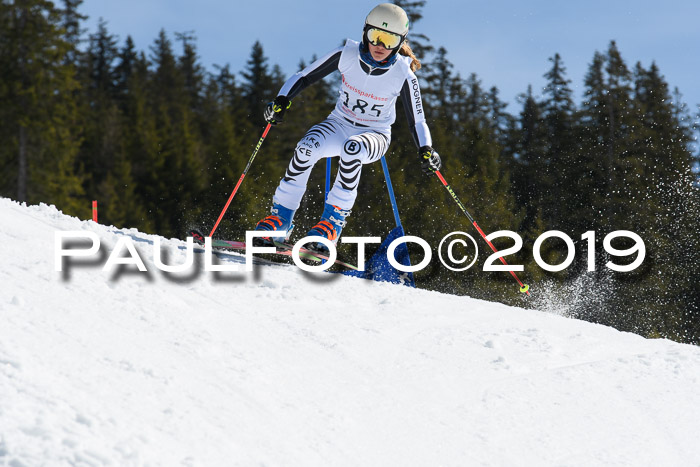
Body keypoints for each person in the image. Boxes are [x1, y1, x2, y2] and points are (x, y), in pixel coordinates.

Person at [254, 2, 441, 253]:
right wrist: (282, 100)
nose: (380, 46)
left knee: (352, 149)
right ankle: (280, 220)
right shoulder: (347, 54)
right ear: (365, 32)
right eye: (376, 36)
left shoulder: (403, 74)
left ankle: (330, 227)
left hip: (375, 135)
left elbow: (417, 120)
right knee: (306, 147)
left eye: (389, 40)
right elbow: (304, 76)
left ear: (400, 42)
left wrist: (426, 149)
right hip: (339, 124)